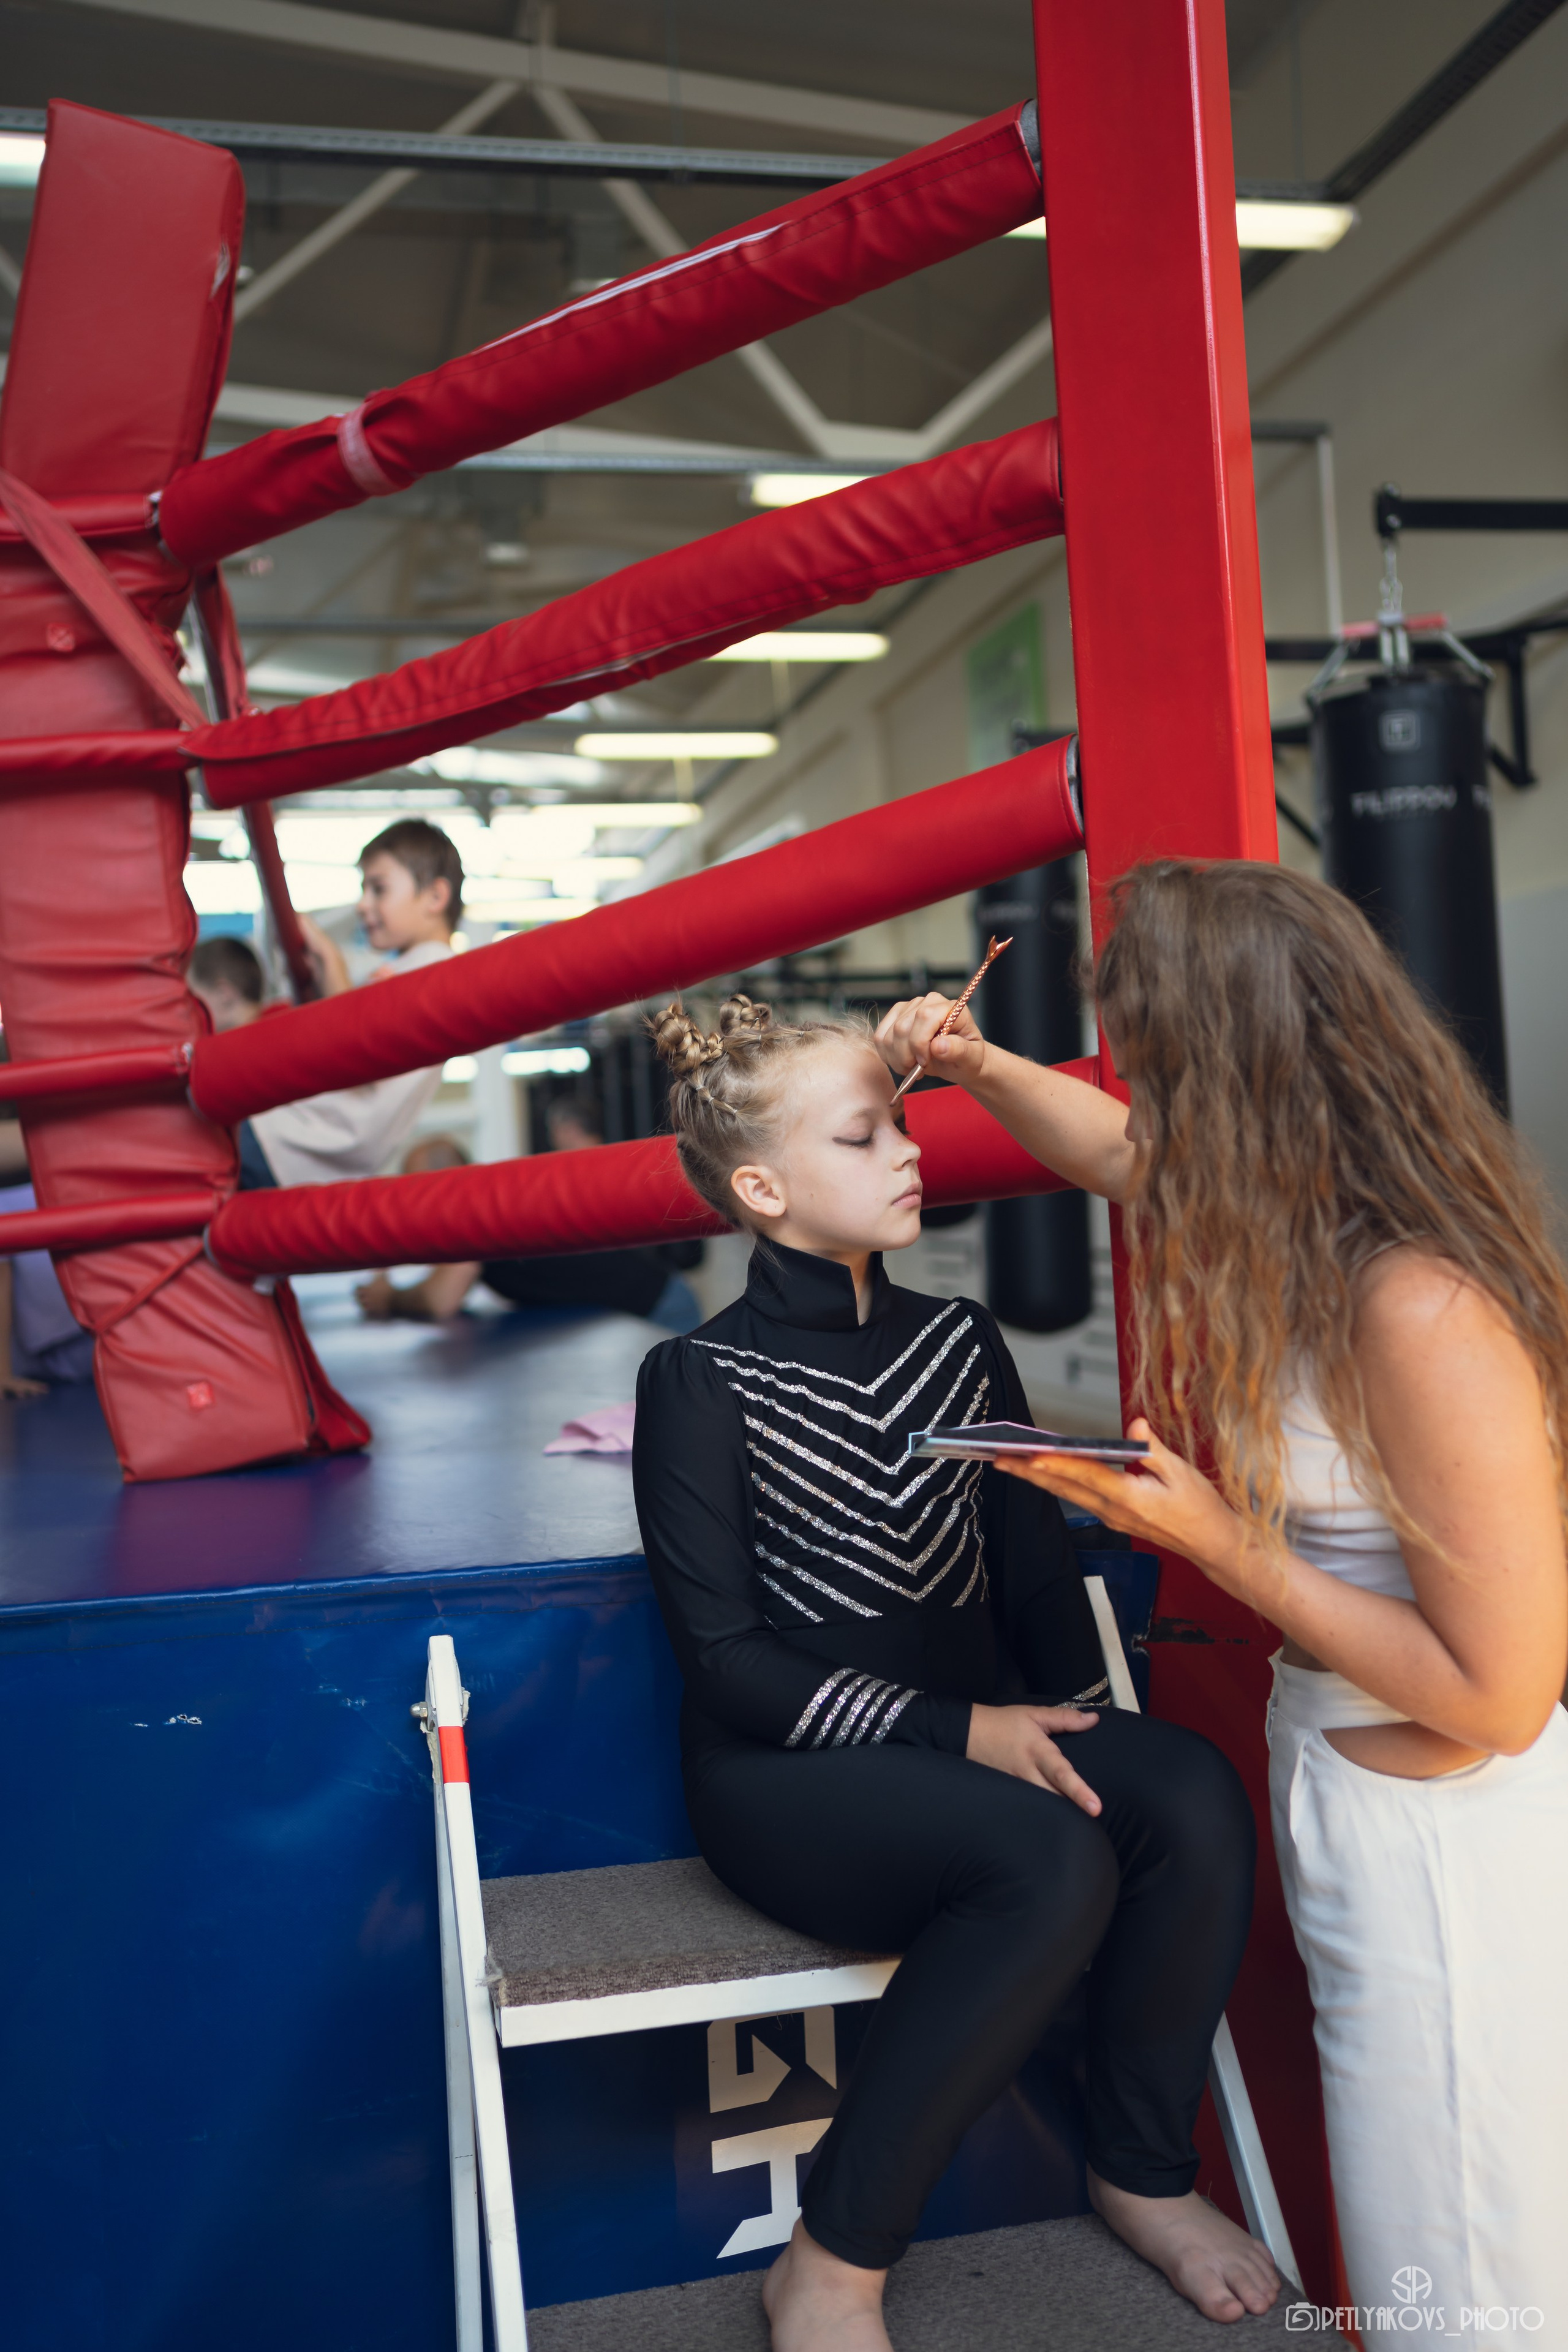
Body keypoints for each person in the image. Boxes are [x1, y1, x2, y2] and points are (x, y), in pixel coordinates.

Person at [875, 859, 1568, 2344]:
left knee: (1458, 2284)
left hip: (1445, 1854)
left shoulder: (1418, 1305)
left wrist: (1216, 1536)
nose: (1142, 1104)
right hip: (1353, 1793)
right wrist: (980, 1060)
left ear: (1236, 1074)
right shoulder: (1295, 1213)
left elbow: (1502, 1696)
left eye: (1157, 1065)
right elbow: (1119, 1153)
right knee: (1418, 2268)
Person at [631, 992, 1276, 2352]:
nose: (910, 1153)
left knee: (1191, 1792)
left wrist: (1090, 1742)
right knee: (1047, 1865)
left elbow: (1034, 1582)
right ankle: (830, 2259)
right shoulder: (697, 1379)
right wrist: (962, 1730)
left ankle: (1140, 2171)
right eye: (864, 1137)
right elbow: (728, 1662)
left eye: (902, 1123)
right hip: (783, 1773)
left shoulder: (958, 1341)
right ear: (761, 1187)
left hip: (967, 1727)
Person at [189, 820, 462, 1190]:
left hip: (296, 1138)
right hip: (308, 1149)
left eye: (379, 889)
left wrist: (330, 961)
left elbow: (360, 1044)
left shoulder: (432, 968)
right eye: (364, 889)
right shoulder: (415, 968)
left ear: (435, 897)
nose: (363, 904)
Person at [354, 1102, 703, 1331]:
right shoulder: (481, 1202)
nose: (412, 1206)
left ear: (441, 1183)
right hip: (641, 1308)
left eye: (416, 1190)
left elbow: (440, 1300)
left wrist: (390, 1299)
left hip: (660, 1308)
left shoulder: (474, 1208)